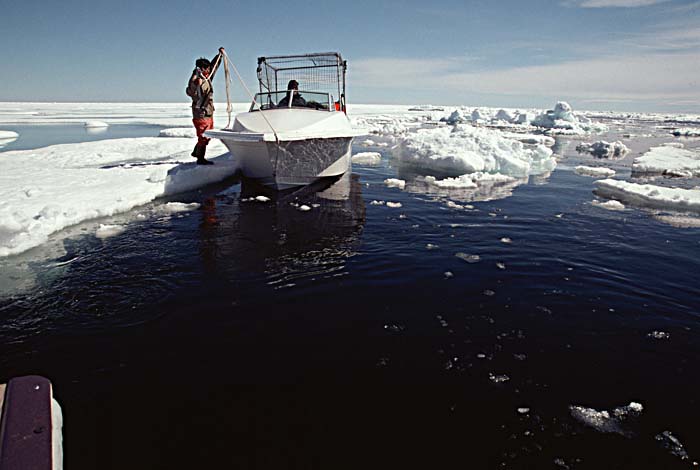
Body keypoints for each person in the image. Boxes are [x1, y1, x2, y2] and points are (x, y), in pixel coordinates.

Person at [186, 47, 225, 165]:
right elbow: (191, 92)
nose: (209, 70)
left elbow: (214, 67)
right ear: (201, 69)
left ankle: (196, 152)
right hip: (201, 113)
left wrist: (220, 55)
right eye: (206, 68)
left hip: (208, 112)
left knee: (208, 135)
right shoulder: (195, 80)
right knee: (204, 136)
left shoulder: (207, 77)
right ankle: (200, 158)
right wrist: (195, 84)